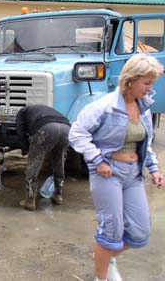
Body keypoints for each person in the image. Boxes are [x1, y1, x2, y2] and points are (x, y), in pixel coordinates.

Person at [68, 54, 164, 281]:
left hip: (134, 175)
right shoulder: (104, 106)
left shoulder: (145, 107)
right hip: (108, 173)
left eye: (153, 83)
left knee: (140, 232)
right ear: (130, 80)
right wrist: (97, 160)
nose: (150, 89)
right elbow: (77, 133)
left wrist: (154, 168)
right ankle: (101, 278)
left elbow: (146, 142)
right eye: (147, 83)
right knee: (111, 230)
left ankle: (108, 258)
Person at [15, 104, 71, 210]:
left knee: (34, 165)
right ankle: (58, 196)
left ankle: (30, 201)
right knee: (59, 163)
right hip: (66, 129)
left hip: (46, 128)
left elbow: (20, 132)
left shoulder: (22, 112)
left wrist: (26, 148)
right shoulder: (45, 109)